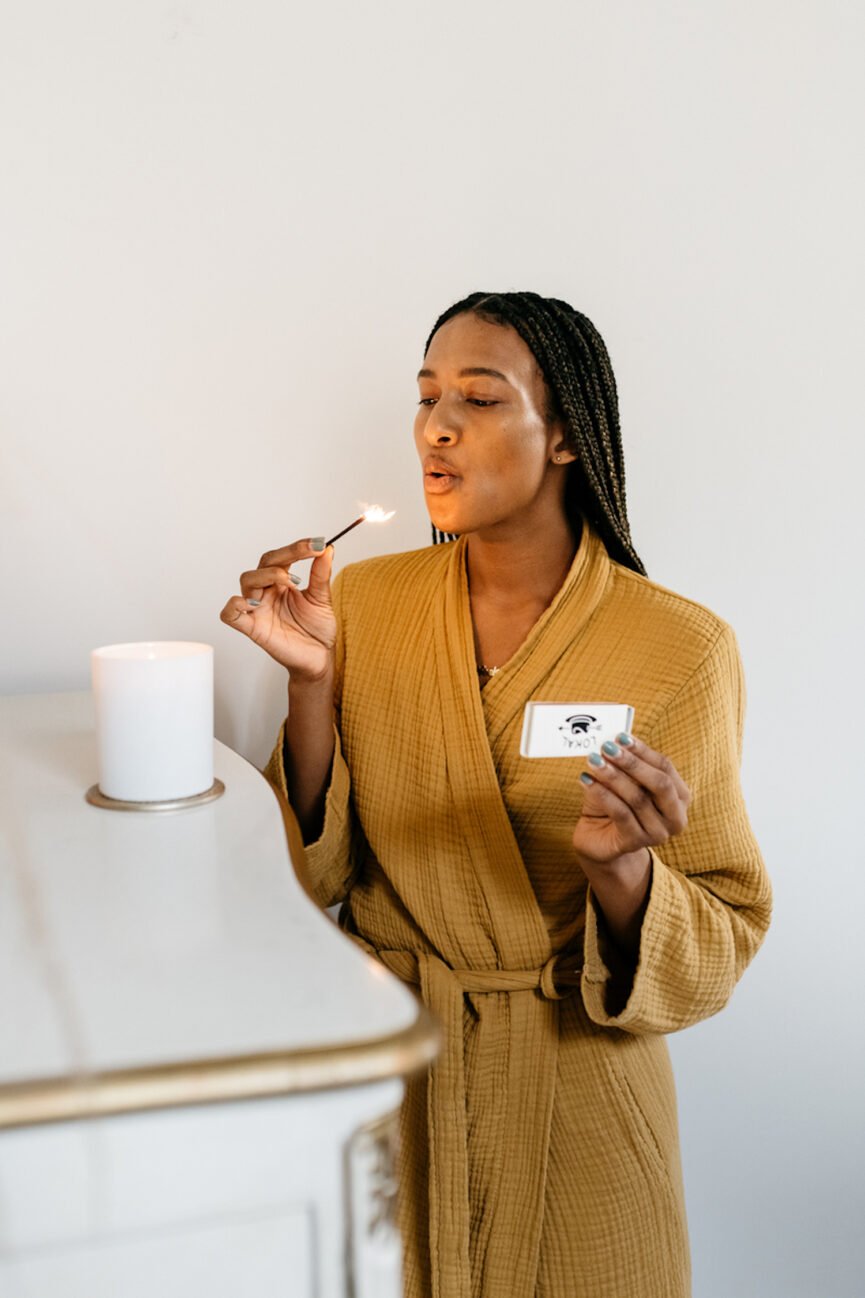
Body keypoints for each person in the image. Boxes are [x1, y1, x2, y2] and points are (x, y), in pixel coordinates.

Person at [220, 291, 772, 1298]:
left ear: (564, 434)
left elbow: (721, 936)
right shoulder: (366, 607)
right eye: (427, 396)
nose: (436, 423)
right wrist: (311, 688)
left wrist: (625, 870)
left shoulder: (681, 648)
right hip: (393, 1079)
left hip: (580, 1099)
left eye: (479, 397)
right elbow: (315, 878)